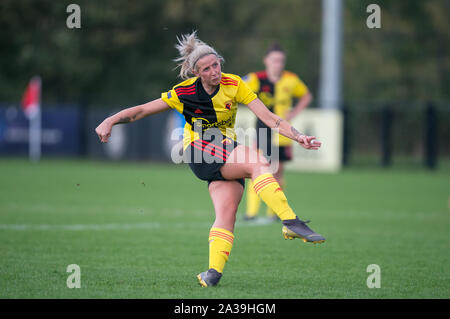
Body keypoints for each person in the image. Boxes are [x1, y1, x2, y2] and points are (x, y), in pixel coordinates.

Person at [95, 31, 324, 288]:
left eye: (216, 64)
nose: (215, 71)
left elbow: (270, 119)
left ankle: (212, 274)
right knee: (258, 162)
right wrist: (110, 119)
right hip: (199, 150)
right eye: (207, 68)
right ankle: (290, 221)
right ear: (197, 73)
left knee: (227, 213)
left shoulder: (234, 83)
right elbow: (142, 111)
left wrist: (299, 136)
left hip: (224, 150)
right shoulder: (183, 92)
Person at [243, 42, 313, 222]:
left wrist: (294, 112)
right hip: (263, 131)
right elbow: (237, 91)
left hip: (283, 134)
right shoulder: (255, 78)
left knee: (278, 173)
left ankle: (273, 214)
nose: (278, 64)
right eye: (274, 60)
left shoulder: (291, 79)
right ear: (266, 60)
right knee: (257, 169)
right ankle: (251, 213)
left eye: (281, 60)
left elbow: (306, 96)